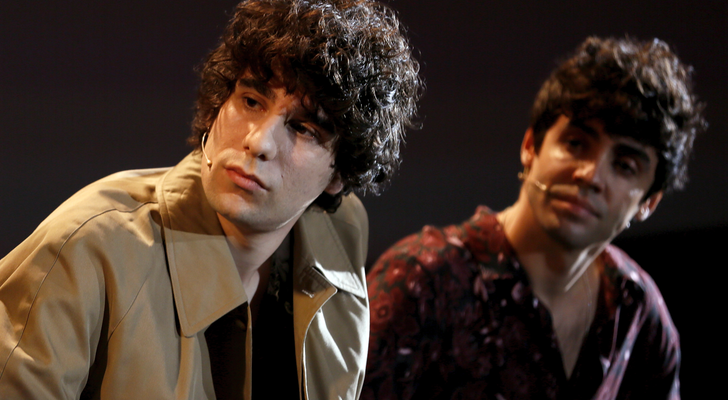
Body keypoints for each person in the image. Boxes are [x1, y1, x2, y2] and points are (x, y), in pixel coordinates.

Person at [0, 0, 421, 399]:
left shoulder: (340, 232)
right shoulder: (87, 247)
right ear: (219, 103)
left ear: (339, 174)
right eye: (251, 101)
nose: (258, 142)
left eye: (303, 128)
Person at [364, 36, 705, 400]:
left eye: (624, 165)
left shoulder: (635, 307)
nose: (590, 175)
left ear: (649, 203)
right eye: (575, 143)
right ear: (530, 147)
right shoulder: (422, 279)